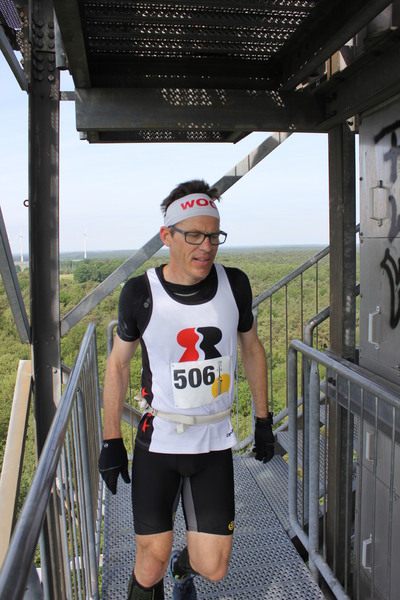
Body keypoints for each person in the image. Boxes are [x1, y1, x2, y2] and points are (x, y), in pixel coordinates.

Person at [98, 179, 275, 600]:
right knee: (150, 561)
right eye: (194, 235)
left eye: (213, 236)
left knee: (213, 567)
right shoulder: (141, 293)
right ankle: (160, 572)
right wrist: (110, 440)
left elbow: (252, 349)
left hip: (213, 441)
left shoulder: (234, 284)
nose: (206, 247)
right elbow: (118, 363)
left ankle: (183, 567)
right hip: (160, 439)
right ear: (167, 236)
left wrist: (263, 420)